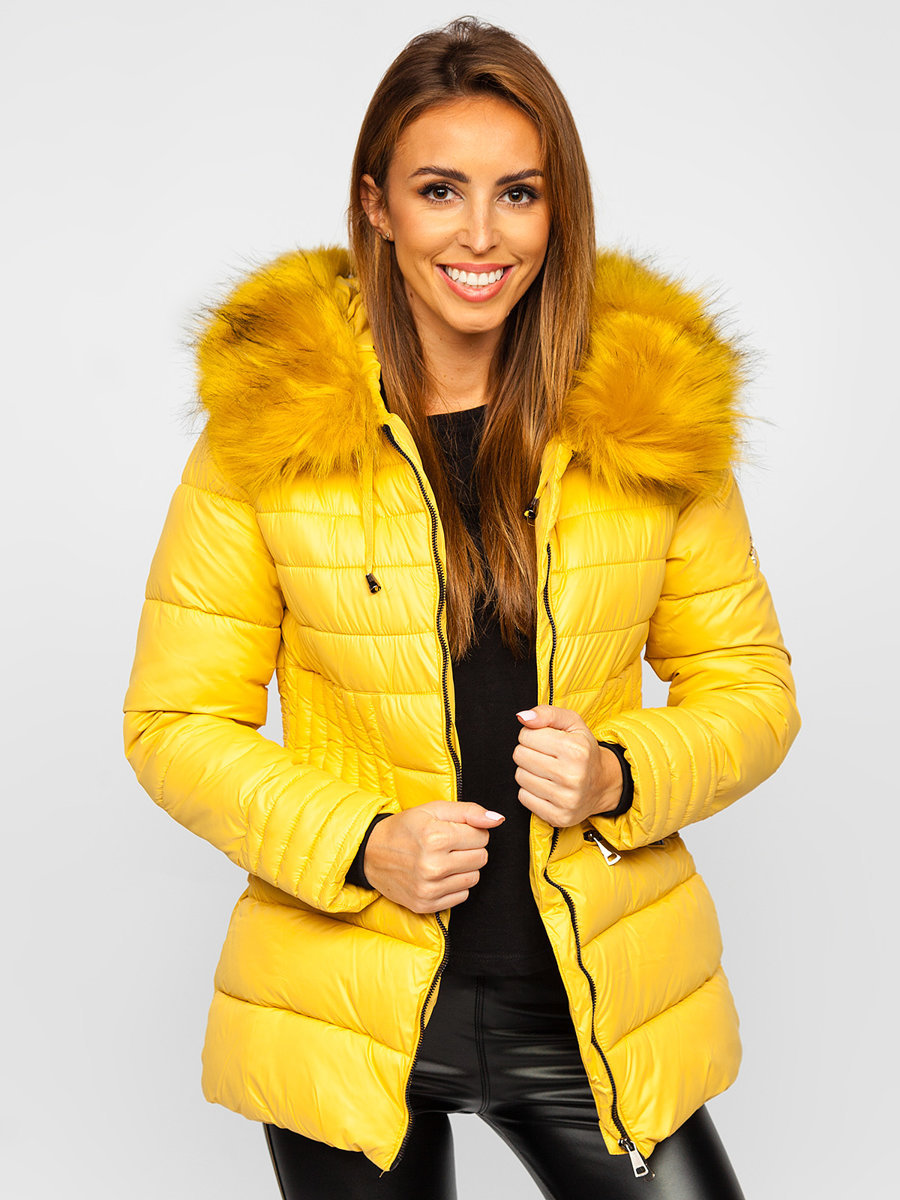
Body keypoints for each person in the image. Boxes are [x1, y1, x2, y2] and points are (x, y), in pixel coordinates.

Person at [123, 16, 800, 1199]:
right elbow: (174, 723)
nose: (481, 235)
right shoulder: (271, 431)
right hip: (352, 1004)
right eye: (440, 190)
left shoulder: (649, 413)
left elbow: (752, 687)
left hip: (589, 1006)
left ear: (557, 210)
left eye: (518, 193)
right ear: (377, 204)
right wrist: (361, 842)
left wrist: (620, 775)